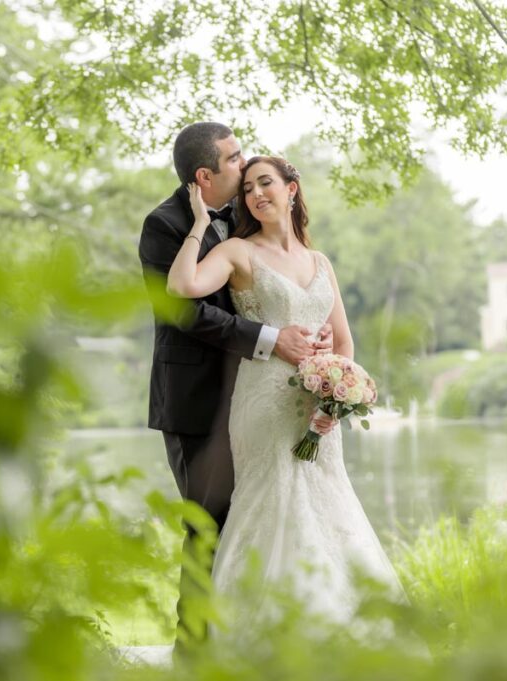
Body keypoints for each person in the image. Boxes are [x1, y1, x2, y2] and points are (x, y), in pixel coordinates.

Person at [166, 154, 405, 632]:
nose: (256, 194)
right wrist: (197, 223)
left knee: (327, 501)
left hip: (319, 406)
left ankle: (337, 631)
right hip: (265, 403)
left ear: (292, 189)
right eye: (248, 189)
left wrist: (338, 394)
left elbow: (342, 339)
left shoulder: (320, 262)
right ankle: (261, 633)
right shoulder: (237, 251)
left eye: (266, 183)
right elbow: (181, 285)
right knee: (274, 501)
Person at [138, 123, 333, 651]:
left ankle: (266, 641)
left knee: (270, 521)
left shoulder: (252, 224)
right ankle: (194, 653)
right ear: (205, 175)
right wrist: (273, 339)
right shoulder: (164, 225)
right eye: (235, 160)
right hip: (199, 402)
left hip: (267, 403)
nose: (246, 170)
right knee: (210, 527)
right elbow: (184, 312)